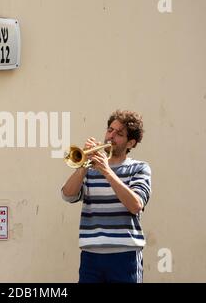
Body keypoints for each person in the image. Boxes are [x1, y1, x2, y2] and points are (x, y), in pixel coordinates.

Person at [61, 109, 151, 283]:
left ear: (131, 143)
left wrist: (107, 171)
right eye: (110, 130)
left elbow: (135, 205)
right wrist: (83, 167)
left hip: (125, 256)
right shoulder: (90, 168)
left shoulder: (139, 168)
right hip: (91, 255)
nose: (111, 136)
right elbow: (68, 195)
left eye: (119, 134)